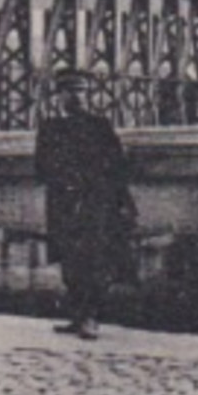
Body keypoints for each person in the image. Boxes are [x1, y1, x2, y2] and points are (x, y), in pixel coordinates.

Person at [34, 69, 136, 340]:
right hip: (63, 204)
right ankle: (78, 316)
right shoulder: (50, 128)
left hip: (94, 204)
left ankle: (90, 317)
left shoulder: (99, 125)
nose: (77, 97)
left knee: (94, 261)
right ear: (60, 96)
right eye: (71, 92)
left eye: (81, 92)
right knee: (69, 263)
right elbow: (41, 167)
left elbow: (117, 165)